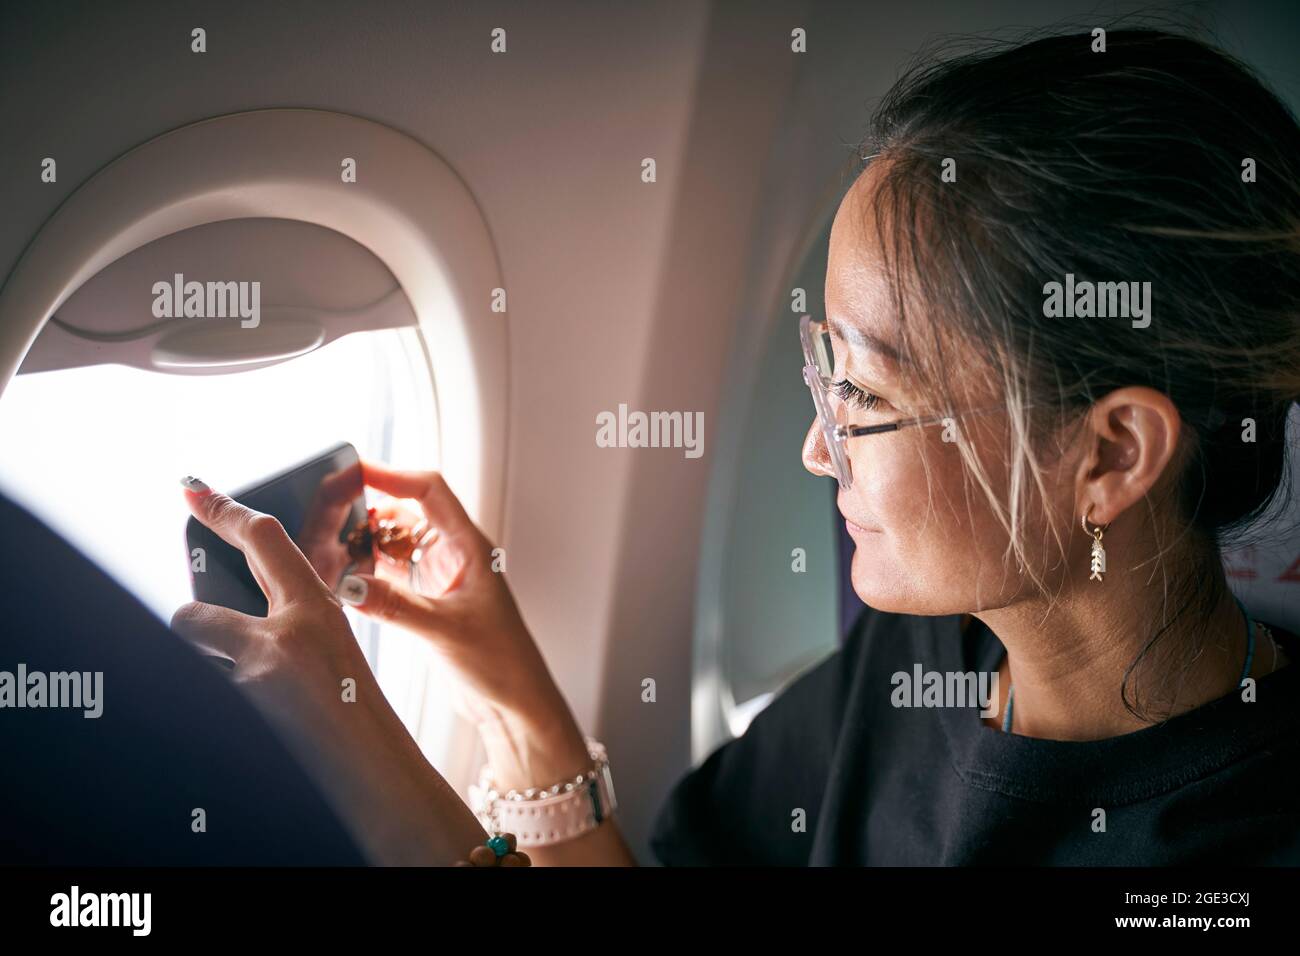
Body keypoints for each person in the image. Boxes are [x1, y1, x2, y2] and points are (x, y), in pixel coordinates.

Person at [171, 27, 1300, 865]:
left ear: (1108, 456)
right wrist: (503, 681)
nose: (817, 449)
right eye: (822, 369)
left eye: (859, 390)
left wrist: (364, 770)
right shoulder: (922, 662)